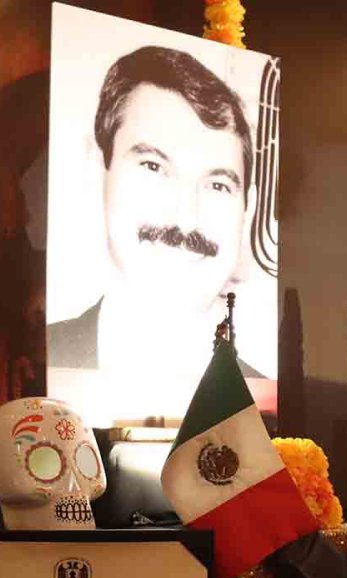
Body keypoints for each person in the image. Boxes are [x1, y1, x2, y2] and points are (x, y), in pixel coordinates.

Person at [47, 45, 263, 386]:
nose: (186, 218)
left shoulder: (263, 400)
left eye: (218, 185)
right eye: (153, 166)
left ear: (247, 210)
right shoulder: (28, 362)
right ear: (96, 169)